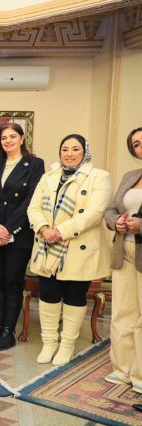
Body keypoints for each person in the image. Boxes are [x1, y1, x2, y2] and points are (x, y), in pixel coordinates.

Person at [27, 134, 111, 365]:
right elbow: (33, 208)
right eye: (65, 149)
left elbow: (94, 213)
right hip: (47, 245)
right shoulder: (49, 176)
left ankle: (66, 345)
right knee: (48, 295)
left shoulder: (99, 176)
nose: (69, 153)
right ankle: (49, 343)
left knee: (74, 296)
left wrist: (60, 231)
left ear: (85, 152)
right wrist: (44, 228)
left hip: (77, 247)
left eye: (75, 149)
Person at [0, 123, 45, 350]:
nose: (7, 141)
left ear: (22, 138)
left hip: (19, 233)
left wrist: (7, 229)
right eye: (4, 138)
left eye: (12, 136)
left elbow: (31, 200)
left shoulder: (34, 164)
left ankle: (8, 332)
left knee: (12, 282)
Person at [104, 127, 142, 390]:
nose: (140, 147)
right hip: (123, 251)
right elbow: (110, 209)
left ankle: (140, 376)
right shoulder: (130, 176)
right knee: (122, 313)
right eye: (136, 144)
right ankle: (122, 369)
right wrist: (116, 221)